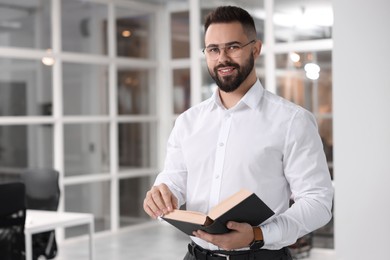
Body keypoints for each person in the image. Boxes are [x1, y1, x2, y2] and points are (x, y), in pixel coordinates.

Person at [143, 5, 334, 260]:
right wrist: (161, 192)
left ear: (255, 49)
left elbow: (318, 203)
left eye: (233, 46)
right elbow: (174, 181)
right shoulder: (188, 122)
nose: (222, 58)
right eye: (213, 49)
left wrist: (258, 234)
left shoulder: (292, 121)